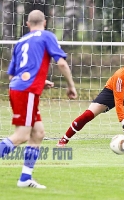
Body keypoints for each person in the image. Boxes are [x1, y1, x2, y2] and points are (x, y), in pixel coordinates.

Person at [0, 10, 77, 189]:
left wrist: (40, 81)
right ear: (45, 22)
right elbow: (62, 63)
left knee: (38, 133)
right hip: (26, 92)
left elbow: (12, 76)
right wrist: (71, 86)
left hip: (20, 89)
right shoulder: (46, 36)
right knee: (21, 136)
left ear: (27, 24)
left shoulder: (20, 42)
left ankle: (25, 178)